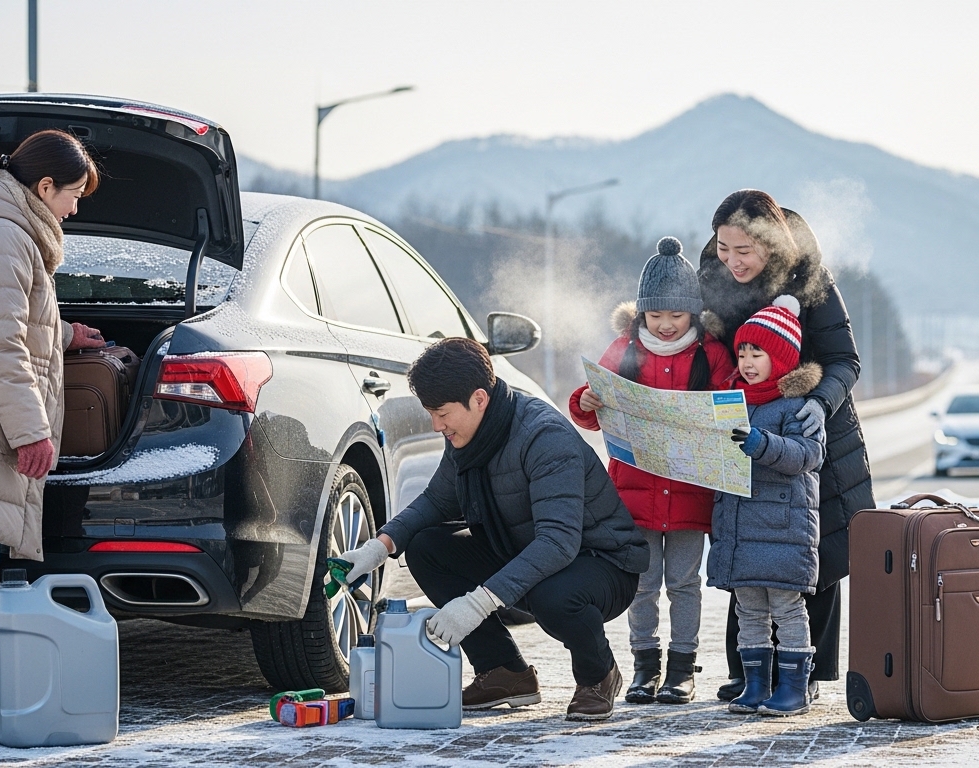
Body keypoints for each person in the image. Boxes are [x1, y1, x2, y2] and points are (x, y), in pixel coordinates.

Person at [335, 338, 649, 721]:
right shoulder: (468, 434)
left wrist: (476, 604)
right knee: (426, 548)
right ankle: (505, 672)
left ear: (479, 398)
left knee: (555, 595)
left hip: (600, 562)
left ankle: (598, 676)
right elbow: (436, 501)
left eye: (442, 413)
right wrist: (378, 548)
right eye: (430, 413)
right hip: (524, 551)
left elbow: (558, 542)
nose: (436, 425)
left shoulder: (543, 436)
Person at [0, 129, 105, 734]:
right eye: (73, 195)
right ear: (43, 187)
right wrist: (31, 432)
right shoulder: (4, 237)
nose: (75, 208)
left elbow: (4, 322)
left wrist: (67, 336)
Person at [698, 189, 875, 702]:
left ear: (771, 245)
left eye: (743, 252)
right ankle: (748, 671)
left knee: (809, 550)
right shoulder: (712, 275)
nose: (732, 260)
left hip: (810, 423)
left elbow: (846, 359)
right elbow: (688, 339)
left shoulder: (809, 277)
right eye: (723, 247)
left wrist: (819, 404)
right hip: (743, 425)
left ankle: (808, 675)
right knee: (748, 541)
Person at [567, 236, 734, 705]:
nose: (665, 325)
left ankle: (682, 669)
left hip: (689, 493)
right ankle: (644, 667)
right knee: (642, 584)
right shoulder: (622, 351)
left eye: (676, 316)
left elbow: (731, 409)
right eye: (655, 316)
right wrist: (587, 400)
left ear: (693, 315)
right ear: (641, 314)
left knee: (684, 583)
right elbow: (586, 409)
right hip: (633, 497)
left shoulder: (711, 354)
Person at [710, 295, 825, 716]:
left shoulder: (797, 405)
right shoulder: (728, 400)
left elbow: (807, 456)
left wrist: (762, 443)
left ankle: (794, 687)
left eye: (757, 352)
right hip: (740, 526)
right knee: (749, 609)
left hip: (782, 527)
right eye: (742, 352)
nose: (747, 361)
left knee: (787, 608)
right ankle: (756, 684)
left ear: (781, 357)